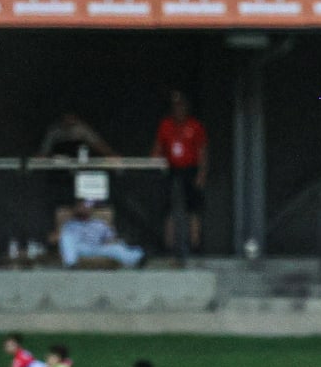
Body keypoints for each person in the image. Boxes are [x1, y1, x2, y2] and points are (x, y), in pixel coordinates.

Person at [151, 89, 209, 262]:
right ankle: (169, 246)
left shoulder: (195, 126)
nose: (179, 110)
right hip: (171, 170)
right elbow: (158, 147)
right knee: (169, 208)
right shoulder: (166, 125)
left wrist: (202, 174)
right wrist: (153, 162)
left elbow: (203, 151)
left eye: (181, 106)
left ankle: (195, 245)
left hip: (190, 170)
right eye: (175, 106)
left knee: (193, 209)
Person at [59, 200, 145, 269]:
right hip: (80, 248)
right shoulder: (70, 224)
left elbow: (111, 238)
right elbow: (61, 239)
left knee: (116, 247)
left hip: (97, 247)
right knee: (66, 237)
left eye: (86, 206)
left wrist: (111, 242)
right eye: (81, 206)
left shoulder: (99, 224)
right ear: (76, 209)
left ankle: (137, 258)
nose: (84, 209)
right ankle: (71, 264)